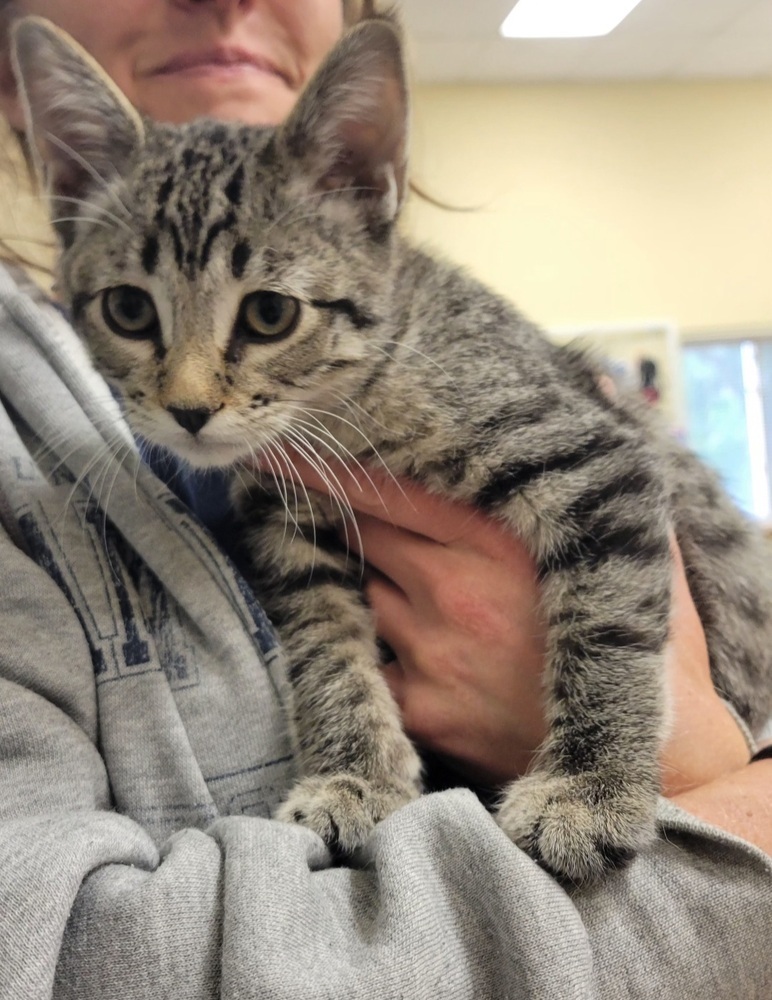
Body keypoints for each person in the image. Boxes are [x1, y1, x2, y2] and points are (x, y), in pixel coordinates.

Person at [0, 1, 769, 997]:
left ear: (363, 191)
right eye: (133, 312)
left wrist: (611, 756)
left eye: (265, 313)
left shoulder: (418, 361)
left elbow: (609, 484)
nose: (191, 393)